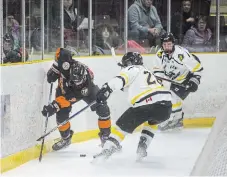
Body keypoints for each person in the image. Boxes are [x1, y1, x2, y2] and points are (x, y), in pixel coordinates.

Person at [93, 52, 172, 160]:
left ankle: (107, 150)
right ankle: (143, 145)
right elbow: (126, 87)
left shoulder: (132, 69)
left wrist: (106, 89)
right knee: (153, 120)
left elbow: (121, 79)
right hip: (166, 106)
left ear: (129, 63)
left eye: (125, 64)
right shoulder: (147, 72)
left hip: (147, 104)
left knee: (120, 127)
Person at [41, 48, 112, 151]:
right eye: (75, 81)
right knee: (61, 118)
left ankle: (106, 137)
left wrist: (54, 106)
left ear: (84, 76)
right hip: (67, 91)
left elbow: (68, 99)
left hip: (88, 91)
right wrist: (55, 69)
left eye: (79, 81)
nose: (77, 84)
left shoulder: (87, 81)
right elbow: (60, 57)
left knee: (103, 109)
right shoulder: (67, 66)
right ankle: (66, 138)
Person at [153, 33, 203, 131]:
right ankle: (177, 120)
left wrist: (194, 81)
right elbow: (158, 70)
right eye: (165, 45)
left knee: (172, 96)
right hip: (173, 80)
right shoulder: (159, 54)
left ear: (173, 44)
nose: (167, 47)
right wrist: (159, 81)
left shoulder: (181, 54)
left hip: (186, 79)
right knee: (171, 97)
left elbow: (198, 69)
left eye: (169, 44)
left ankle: (176, 119)